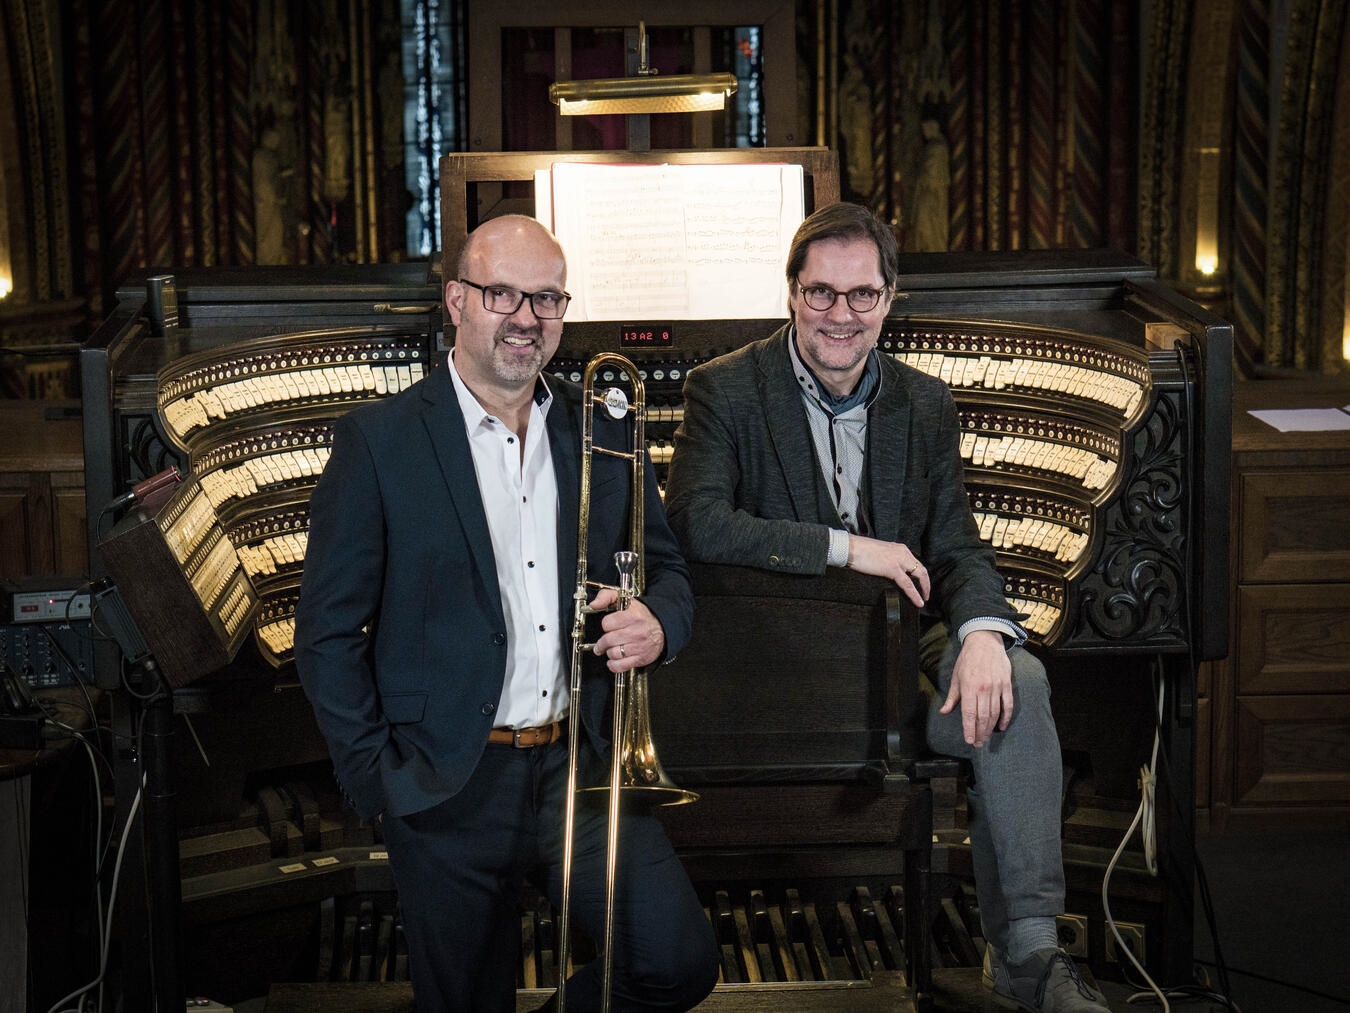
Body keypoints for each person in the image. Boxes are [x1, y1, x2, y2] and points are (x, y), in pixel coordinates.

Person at [663, 201, 1109, 1013]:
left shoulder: (923, 402)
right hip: (784, 673)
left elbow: (959, 549)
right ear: (792, 294)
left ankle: (1031, 956)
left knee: (1020, 684)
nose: (841, 315)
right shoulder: (724, 389)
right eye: (821, 293)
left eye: (861, 295)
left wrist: (980, 633)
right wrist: (847, 547)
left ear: (889, 298)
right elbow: (696, 520)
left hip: (903, 659)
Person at [294, 214, 719, 1012]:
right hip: (447, 779)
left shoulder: (602, 428)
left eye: (547, 298)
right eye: (503, 294)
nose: (527, 317)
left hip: (580, 770)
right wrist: (379, 782)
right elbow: (323, 636)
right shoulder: (379, 441)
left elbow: (667, 568)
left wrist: (660, 623)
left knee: (676, 961)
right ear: (457, 301)